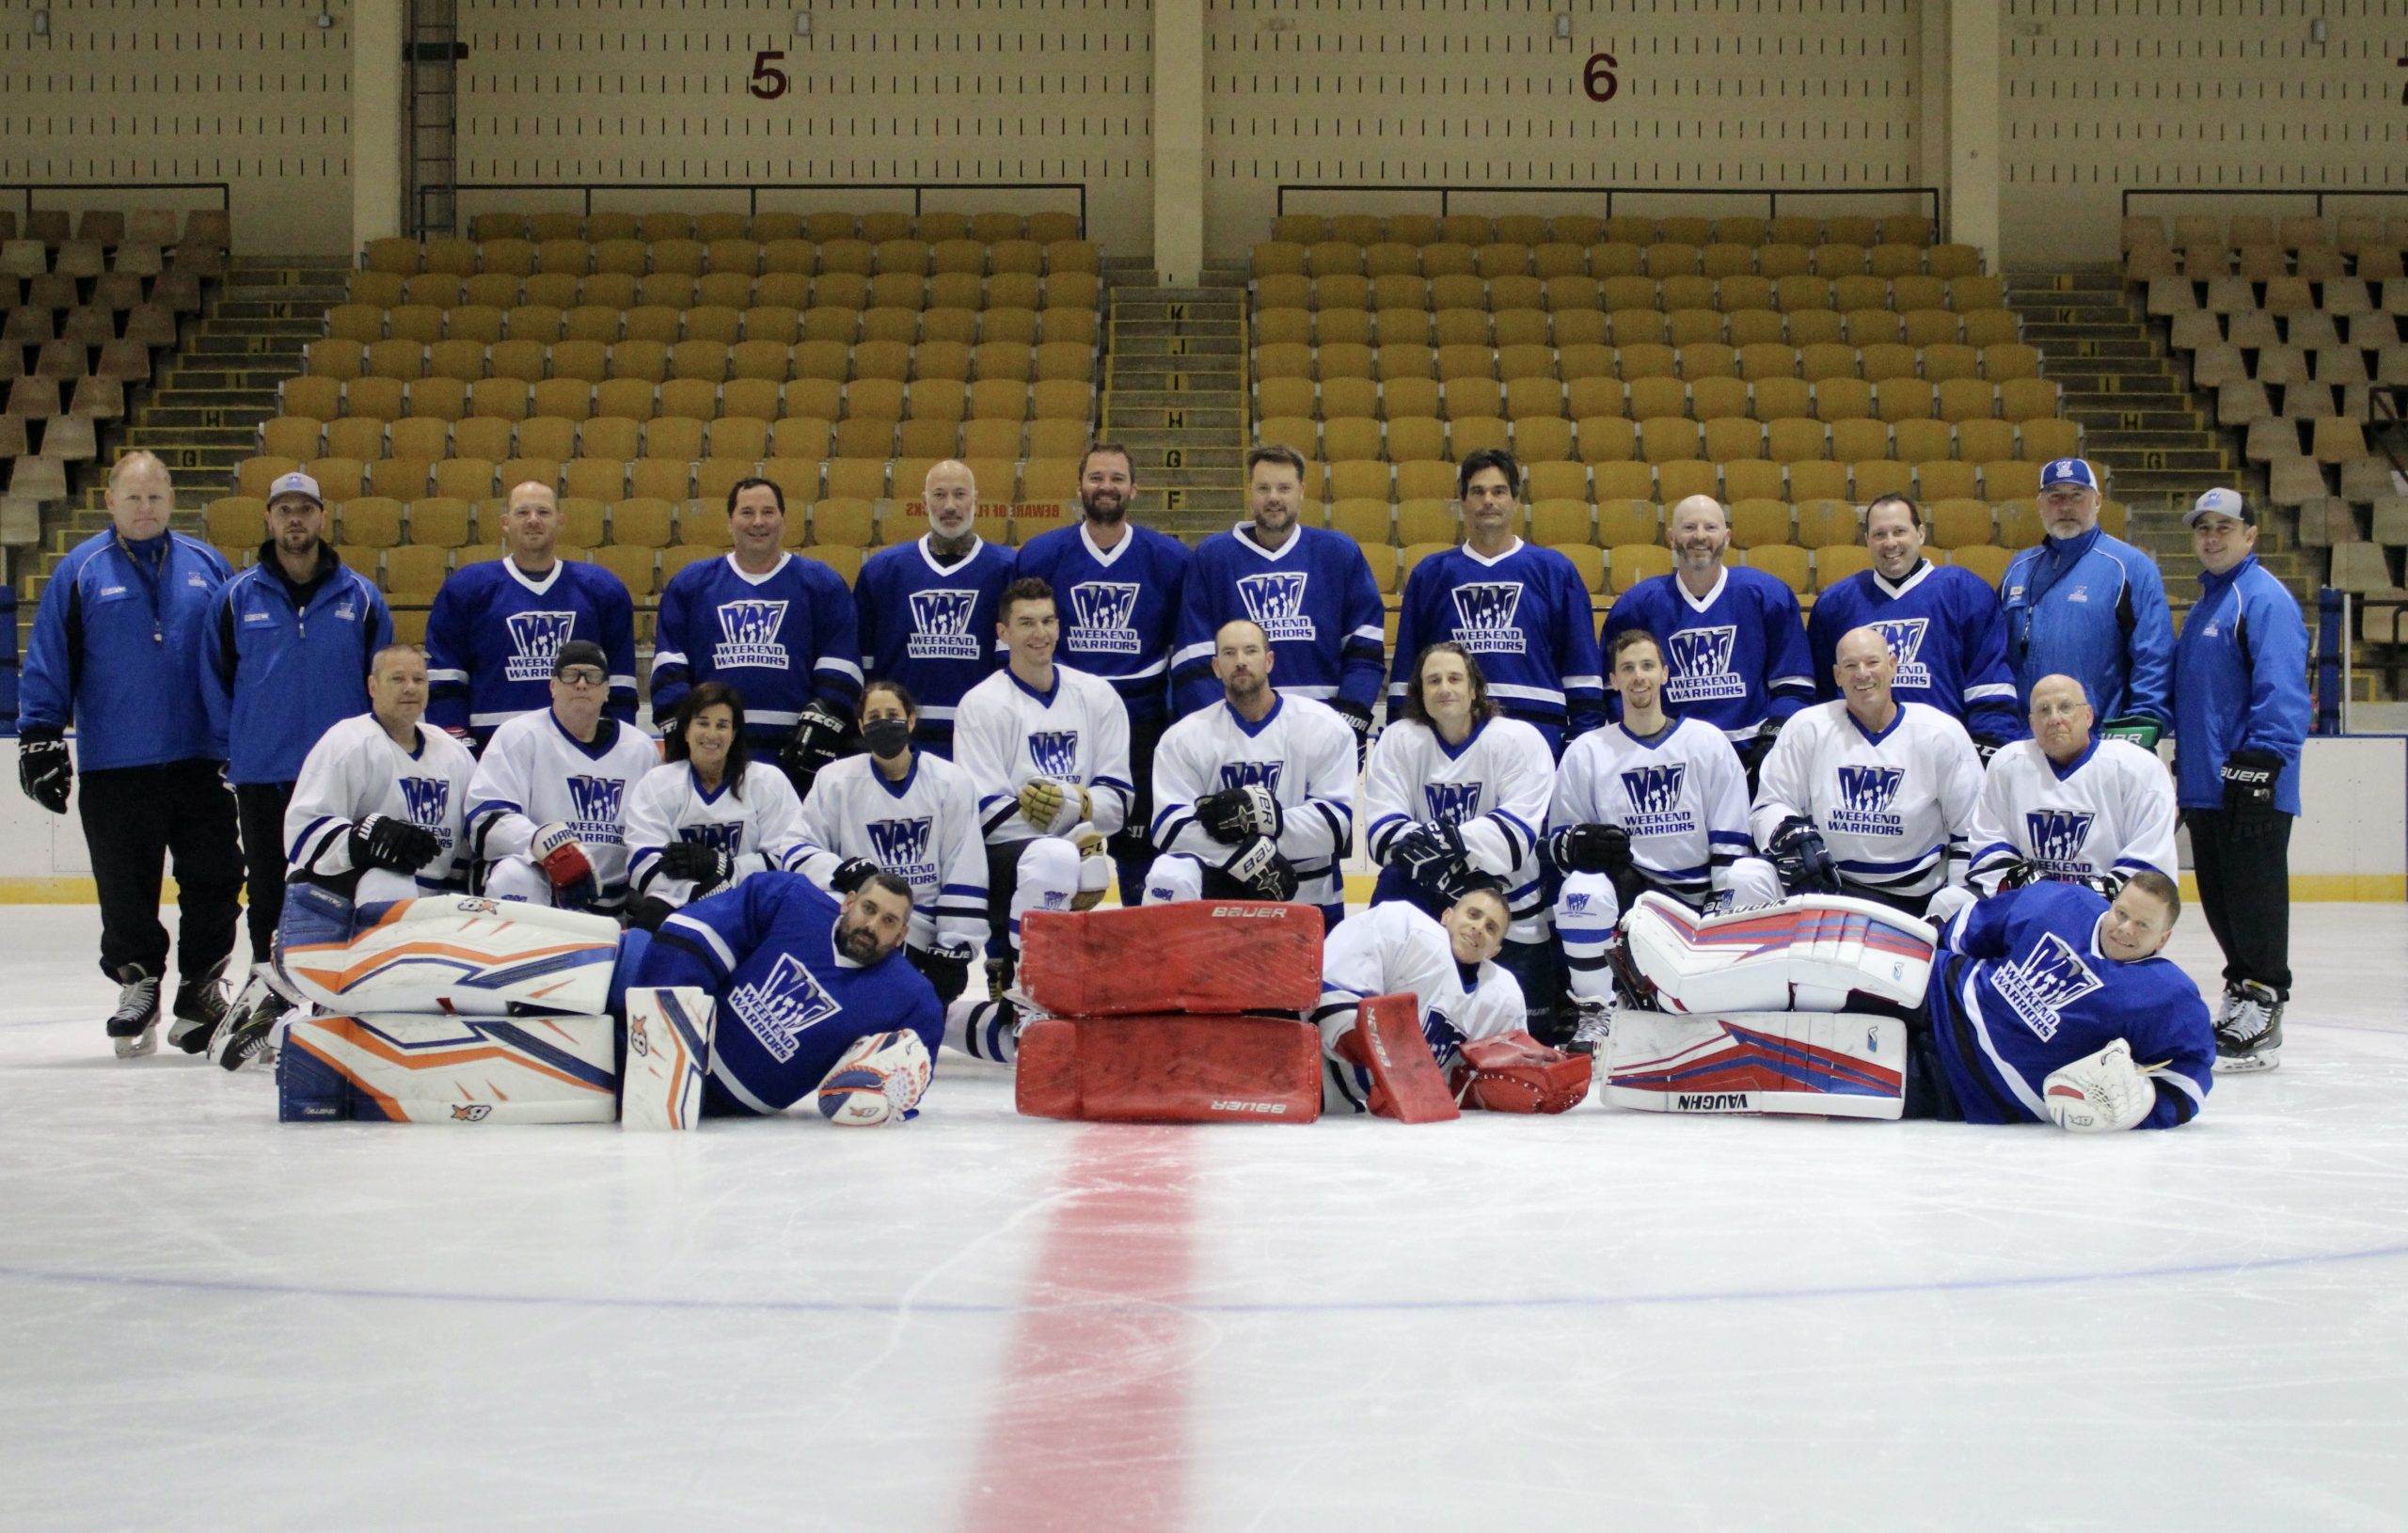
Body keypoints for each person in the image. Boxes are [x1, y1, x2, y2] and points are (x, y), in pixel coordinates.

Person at [16, 450, 243, 1057]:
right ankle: (138, 980)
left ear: (173, 502)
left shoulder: (208, 565)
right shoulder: (79, 570)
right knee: (125, 885)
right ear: (109, 501)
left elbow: (236, 657)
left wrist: (242, 737)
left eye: (155, 497)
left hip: (203, 759)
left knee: (216, 878)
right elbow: (50, 656)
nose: (145, 508)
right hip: (117, 762)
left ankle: (200, 987)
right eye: (133, 498)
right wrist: (39, 734)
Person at [216, 642, 477, 1070]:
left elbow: (463, 852)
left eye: (419, 679)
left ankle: (292, 1010)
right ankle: (301, 1015)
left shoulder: (453, 755)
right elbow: (301, 834)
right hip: (336, 906)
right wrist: (366, 839)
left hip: (422, 916)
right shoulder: (347, 741)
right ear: (372, 686)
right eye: (398, 679)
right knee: (388, 881)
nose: (410, 688)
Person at [200, 471, 393, 976]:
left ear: (322, 517)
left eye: (304, 509)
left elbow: (386, 685)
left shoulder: (363, 598)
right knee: (266, 889)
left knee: (340, 884)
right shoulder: (234, 598)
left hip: (344, 777)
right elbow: (215, 681)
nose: (295, 519)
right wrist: (234, 750)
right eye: (284, 509)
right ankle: (266, 987)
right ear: (268, 518)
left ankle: (337, 991)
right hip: (263, 773)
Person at [1551, 628, 1782, 1042]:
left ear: (1665, 674)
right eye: (1627, 668)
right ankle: (1596, 1012)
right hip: (1631, 896)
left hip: (1700, 898)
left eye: (1646, 666)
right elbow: (1560, 846)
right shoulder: (1587, 750)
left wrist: (1717, 911)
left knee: (1751, 876)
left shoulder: (1707, 742)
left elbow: (1730, 843)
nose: (1638, 676)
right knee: (1580, 889)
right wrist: (1579, 845)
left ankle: (1734, 1003)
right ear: (1614, 681)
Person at [1009, 443, 1191, 903]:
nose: (1105, 487)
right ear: (1079, 486)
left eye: (1115, 479)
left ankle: (1140, 952)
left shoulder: (1169, 558)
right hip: (1062, 721)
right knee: (1055, 847)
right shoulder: (1041, 553)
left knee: (1139, 852)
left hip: (1141, 722)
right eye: (1096, 478)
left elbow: (1179, 643)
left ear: (1134, 488)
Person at [2170, 486, 2311, 1073]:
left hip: (2250, 782)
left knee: (2254, 899)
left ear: (2250, 535)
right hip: (2206, 784)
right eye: (2203, 528)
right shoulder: (2208, 602)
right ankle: (2241, 990)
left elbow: (2282, 686)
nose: (2212, 537)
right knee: (2223, 902)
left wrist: (2265, 760)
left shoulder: (2263, 599)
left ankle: (2264, 1000)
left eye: (2224, 528)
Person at [1362, 641, 1558, 1035]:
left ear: (1474, 689)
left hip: (1508, 905)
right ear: (1420, 692)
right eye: (1432, 680)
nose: (1444, 688)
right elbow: (1382, 837)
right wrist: (1456, 845)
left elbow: (1516, 838)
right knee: (1393, 883)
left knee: (1521, 1037)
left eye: (1455, 678)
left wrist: (1438, 841)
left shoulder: (1519, 739)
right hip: (1429, 899)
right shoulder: (1400, 740)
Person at [952, 577, 1133, 974]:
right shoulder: (980, 704)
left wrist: (1072, 804)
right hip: (1009, 858)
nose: (1041, 633)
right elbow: (988, 817)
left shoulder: (1098, 695)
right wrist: (1079, 814)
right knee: (1057, 859)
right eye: (1027, 623)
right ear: (1003, 632)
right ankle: (1025, 972)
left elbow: (1119, 804)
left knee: (1091, 866)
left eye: (1048, 622)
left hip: (1090, 850)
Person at [1171, 445, 1386, 764]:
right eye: (1263, 488)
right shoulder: (1212, 557)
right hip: (1238, 732)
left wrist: (1348, 719)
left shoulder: (1339, 553)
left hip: (1321, 728)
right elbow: (1195, 655)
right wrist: (1221, 730)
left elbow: (1363, 649)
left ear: (1302, 492)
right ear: (1249, 492)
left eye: (1284, 488)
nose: (1274, 497)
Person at [1751, 625, 1984, 919]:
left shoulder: (1941, 734)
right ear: (1837, 675)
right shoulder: (1806, 727)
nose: (1862, 674)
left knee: (1958, 902)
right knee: (1748, 875)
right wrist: (1790, 834)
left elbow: (1971, 833)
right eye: (1850, 666)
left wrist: (1956, 904)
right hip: (1829, 891)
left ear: (1892, 665)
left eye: (1872, 662)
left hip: (1915, 901)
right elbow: (1768, 805)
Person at [649, 477, 863, 795]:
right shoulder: (691, 585)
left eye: (768, 512)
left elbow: (841, 663)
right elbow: (669, 667)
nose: (758, 522)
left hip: (795, 759)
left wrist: (816, 732)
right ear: (729, 523)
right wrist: (692, 734)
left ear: (784, 520)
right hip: (714, 751)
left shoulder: (822, 584)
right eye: (747, 512)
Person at [1142, 619, 1357, 927]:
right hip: (1220, 889)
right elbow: (1169, 828)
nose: (1240, 661)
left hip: (1307, 893)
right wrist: (1248, 856)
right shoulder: (1183, 737)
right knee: (1168, 874)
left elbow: (1336, 826)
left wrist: (1269, 819)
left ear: (1269, 660)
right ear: (1216, 666)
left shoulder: (1323, 726)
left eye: (1250, 651)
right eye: (1229, 653)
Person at [1388, 448, 1604, 755]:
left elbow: (1581, 667)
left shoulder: (1556, 571)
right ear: (1463, 501)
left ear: (1516, 501)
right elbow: (1406, 674)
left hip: (1540, 739)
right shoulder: (1430, 575)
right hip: (1451, 741)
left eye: (1499, 491)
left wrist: (1580, 742)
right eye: (1477, 491)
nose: (1488, 500)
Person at [793, 679, 991, 1004]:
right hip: (862, 925)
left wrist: (957, 945)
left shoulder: (951, 781)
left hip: (922, 929)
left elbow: (964, 866)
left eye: (892, 714)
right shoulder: (835, 780)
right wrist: (844, 870)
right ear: (860, 725)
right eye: (873, 717)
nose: (883, 723)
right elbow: (797, 846)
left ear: (911, 720)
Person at [1601, 494, 1814, 782]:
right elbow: (1615, 691)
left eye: (1710, 528)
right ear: (1671, 537)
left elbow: (1793, 687)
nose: (1699, 536)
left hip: (1751, 754)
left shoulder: (1767, 595)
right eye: (1689, 528)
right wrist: (1647, 744)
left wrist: (1771, 743)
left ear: (1726, 538)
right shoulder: (1636, 606)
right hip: (1667, 758)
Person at [1805, 493, 2021, 755]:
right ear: (1867, 541)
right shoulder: (1836, 603)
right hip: (1860, 755)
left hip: (1943, 756)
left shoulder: (1964, 591)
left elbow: (1989, 681)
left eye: (1899, 531)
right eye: (1879, 534)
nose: (1890, 543)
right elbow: (1826, 694)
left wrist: (1989, 745)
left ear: (1920, 533)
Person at [425, 481, 637, 748]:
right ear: (505, 522)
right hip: (490, 748)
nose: (533, 520)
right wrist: (455, 742)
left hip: (579, 745)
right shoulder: (467, 587)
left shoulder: (602, 589)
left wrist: (615, 743)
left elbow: (619, 681)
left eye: (543, 512)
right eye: (523, 513)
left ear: (560, 521)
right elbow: (447, 675)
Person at [464, 639, 661, 914]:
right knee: (513, 875)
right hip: (545, 888)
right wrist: (549, 847)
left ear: (606, 690)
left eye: (592, 676)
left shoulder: (640, 749)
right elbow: (484, 818)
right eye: (570, 675)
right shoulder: (519, 735)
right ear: (553, 686)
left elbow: (653, 830)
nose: (581, 684)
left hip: (613, 901)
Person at [2000, 457, 2172, 744]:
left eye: (2077, 496)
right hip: (2029, 743)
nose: (2065, 506)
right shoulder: (2019, 569)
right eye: (2055, 496)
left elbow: (2154, 659)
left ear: (2098, 501)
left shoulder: (2130, 568)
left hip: (2100, 746)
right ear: (2040, 504)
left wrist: (2140, 731)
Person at [1314, 888, 1527, 1114]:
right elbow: (1331, 999)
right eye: (1473, 915)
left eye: (1491, 928)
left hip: (1404, 1117)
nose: (1478, 928)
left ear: (1495, 951)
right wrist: (1392, 1077)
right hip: (1321, 1088)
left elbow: (1490, 1077)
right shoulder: (1403, 925)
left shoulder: (1504, 996)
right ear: (1446, 916)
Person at [622, 683, 814, 932]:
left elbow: (787, 858)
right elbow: (642, 862)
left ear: (734, 734)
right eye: (703, 723)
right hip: (679, 910)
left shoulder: (768, 781)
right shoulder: (657, 784)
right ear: (686, 730)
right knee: (649, 916)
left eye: (722, 725)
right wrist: (697, 894)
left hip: (752, 912)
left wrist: (722, 866)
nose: (712, 734)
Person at [854, 460, 1013, 759]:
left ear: (975, 500)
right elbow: (865, 665)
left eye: (960, 494)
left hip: (982, 735)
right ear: (924, 501)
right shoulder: (883, 571)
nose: (950, 506)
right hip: (900, 737)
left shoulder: (1006, 568)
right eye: (939, 495)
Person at [1967, 672, 2178, 897]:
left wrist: (2083, 899)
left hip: (2109, 915)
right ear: (2032, 723)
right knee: (1949, 901)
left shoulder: (2138, 769)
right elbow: (1989, 842)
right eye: (2044, 710)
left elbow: (2151, 864)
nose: (2055, 718)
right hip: (2027, 906)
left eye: (2065, 707)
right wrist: (2029, 889)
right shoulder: (2007, 764)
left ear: (2088, 716)